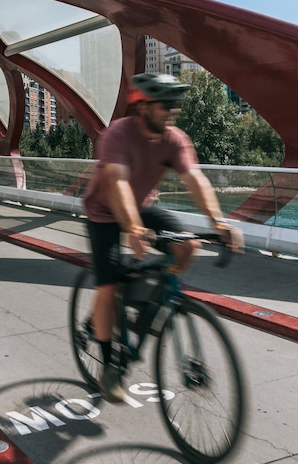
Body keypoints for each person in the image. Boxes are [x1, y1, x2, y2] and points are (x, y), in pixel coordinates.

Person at [82, 72, 243, 403]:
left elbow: (194, 179)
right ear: (143, 107)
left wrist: (218, 221)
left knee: (188, 245)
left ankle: (148, 305)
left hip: (142, 207)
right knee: (108, 285)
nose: (173, 111)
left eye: (175, 104)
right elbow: (118, 183)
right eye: (166, 105)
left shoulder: (174, 139)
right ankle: (110, 367)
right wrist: (133, 229)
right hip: (104, 212)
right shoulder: (118, 135)